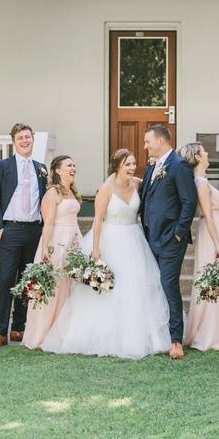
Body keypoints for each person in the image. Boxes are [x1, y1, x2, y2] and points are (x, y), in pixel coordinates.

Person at [42, 149, 170, 359]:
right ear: (117, 166)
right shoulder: (106, 189)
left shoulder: (136, 183)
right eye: (127, 164)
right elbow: (98, 220)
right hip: (111, 239)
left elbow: (154, 180)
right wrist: (95, 250)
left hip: (134, 240)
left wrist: (155, 163)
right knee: (110, 290)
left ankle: (137, 335)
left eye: (133, 164)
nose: (131, 168)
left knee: (135, 287)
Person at [0, 123, 49, 349]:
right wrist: (0, 228)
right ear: (14, 141)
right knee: (6, 281)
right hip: (10, 230)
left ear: (33, 139)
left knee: (27, 280)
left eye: (28, 137)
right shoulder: (3, 166)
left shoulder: (41, 167)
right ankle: (0, 331)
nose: (25, 141)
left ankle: (18, 328)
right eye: (21, 137)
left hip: (33, 230)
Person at [139, 125, 198, 360]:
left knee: (169, 285)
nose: (145, 146)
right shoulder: (152, 167)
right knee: (154, 285)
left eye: (147, 142)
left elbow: (189, 201)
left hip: (171, 239)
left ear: (161, 140)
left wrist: (179, 232)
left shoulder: (179, 165)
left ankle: (176, 340)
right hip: (150, 236)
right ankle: (155, 334)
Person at [181, 143, 219, 351]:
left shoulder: (203, 180)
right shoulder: (200, 182)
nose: (208, 153)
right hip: (212, 231)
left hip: (218, 227)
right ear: (198, 157)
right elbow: (207, 215)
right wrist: (217, 243)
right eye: (204, 151)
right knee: (214, 277)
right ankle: (212, 333)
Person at [22, 155, 82, 349]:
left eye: (74, 164)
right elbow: (48, 224)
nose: (73, 168)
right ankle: (43, 333)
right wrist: (46, 250)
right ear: (57, 170)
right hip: (56, 242)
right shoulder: (52, 193)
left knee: (70, 286)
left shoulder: (72, 191)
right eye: (68, 165)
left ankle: (64, 331)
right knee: (54, 287)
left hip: (73, 240)